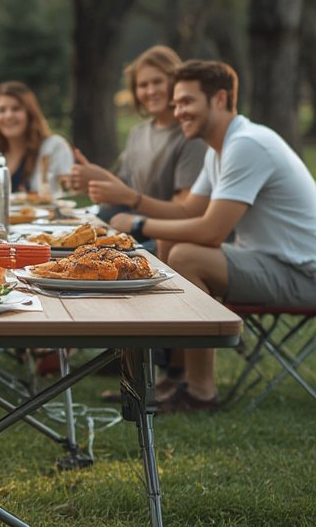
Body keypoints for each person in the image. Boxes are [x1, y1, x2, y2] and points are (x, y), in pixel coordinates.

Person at [103, 59, 316, 411]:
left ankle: (201, 392)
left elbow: (212, 231)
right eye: (176, 103)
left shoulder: (248, 144)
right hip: (272, 261)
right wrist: (132, 205)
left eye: (187, 102)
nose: (178, 112)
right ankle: (175, 376)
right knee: (171, 243)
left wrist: (138, 225)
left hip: (303, 274)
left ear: (219, 99)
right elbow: (188, 212)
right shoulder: (220, 149)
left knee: (188, 256)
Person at [69, 45, 207, 396]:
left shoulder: (189, 137)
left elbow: (184, 210)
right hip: (133, 228)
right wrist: (94, 178)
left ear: (174, 82)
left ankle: (157, 370)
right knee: (84, 252)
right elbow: (123, 191)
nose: (150, 91)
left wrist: (125, 201)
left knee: (123, 264)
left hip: (171, 235)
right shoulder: (139, 134)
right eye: (143, 85)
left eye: (157, 81)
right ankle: (122, 365)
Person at [0, 81, 72, 195]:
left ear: (30, 113)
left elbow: (69, 193)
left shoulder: (54, 146)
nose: (8, 115)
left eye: (16, 109)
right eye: (1, 110)